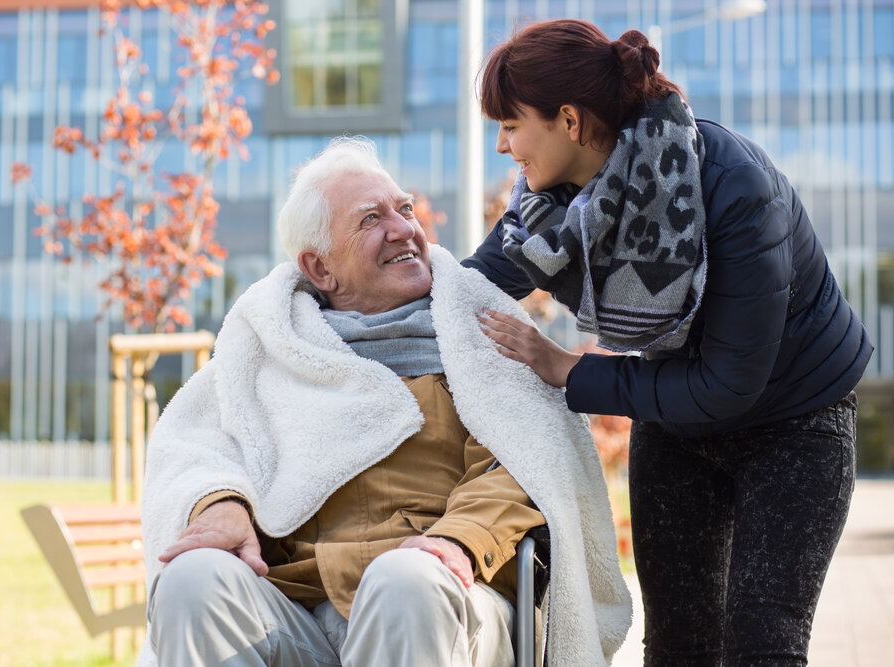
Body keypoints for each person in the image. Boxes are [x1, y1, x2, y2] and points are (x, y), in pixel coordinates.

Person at [465, 18, 874, 666]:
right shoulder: (547, 208)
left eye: (511, 124)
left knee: (761, 635)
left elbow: (729, 383)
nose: (502, 146)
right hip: (676, 418)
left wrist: (572, 370)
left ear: (569, 121)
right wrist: (344, 296)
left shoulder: (734, 187)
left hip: (795, 417)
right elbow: (474, 286)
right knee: (680, 638)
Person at [139, 136, 631, 667]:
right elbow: (194, 443)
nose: (404, 229)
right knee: (190, 580)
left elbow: (526, 458)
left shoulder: (478, 338)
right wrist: (221, 505)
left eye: (405, 209)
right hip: (292, 602)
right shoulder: (272, 351)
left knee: (405, 582)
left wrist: (460, 541)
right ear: (320, 269)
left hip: (441, 586)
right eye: (371, 219)